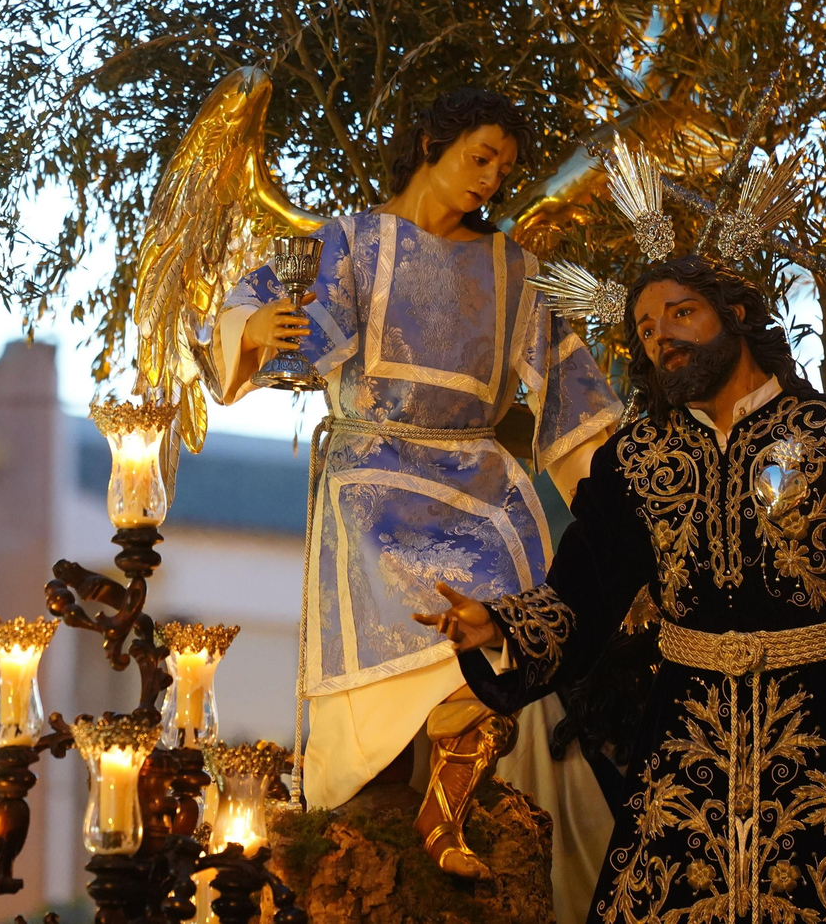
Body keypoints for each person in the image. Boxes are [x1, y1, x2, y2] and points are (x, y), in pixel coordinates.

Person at [428, 255, 826, 923]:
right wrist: (503, 626)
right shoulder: (637, 458)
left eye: (681, 313)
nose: (663, 338)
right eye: (647, 329)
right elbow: (584, 587)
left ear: (737, 314)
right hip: (689, 748)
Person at [212, 89, 623, 910]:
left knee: (513, 609)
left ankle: (447, 806)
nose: (492, 182)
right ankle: (394, 805)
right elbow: (258, 320)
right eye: (481, 158)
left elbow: (574, 409)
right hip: (373, 479)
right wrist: (257, 332)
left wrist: (621, 515)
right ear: (432, 140)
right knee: (410, 607)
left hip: (478, 481)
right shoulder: (353, 242)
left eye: (505, 169)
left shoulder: (514, 271)